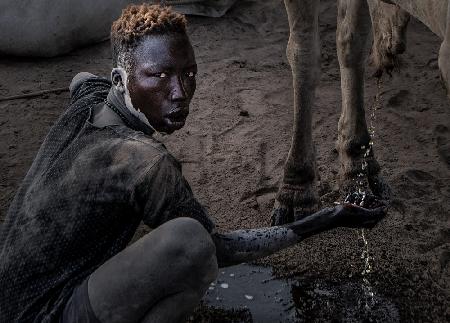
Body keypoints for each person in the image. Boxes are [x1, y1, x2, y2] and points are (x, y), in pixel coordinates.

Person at [0, 4, 387, 323]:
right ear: (121, 80)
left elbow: (80, 78)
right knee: (190, 246)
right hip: (45, 315)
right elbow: (219, 249)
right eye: (160, 76)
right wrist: (327, 219)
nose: (180, 93)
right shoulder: (144, 162)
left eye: (189, 73)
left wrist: (122, 83)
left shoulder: (89, 103)